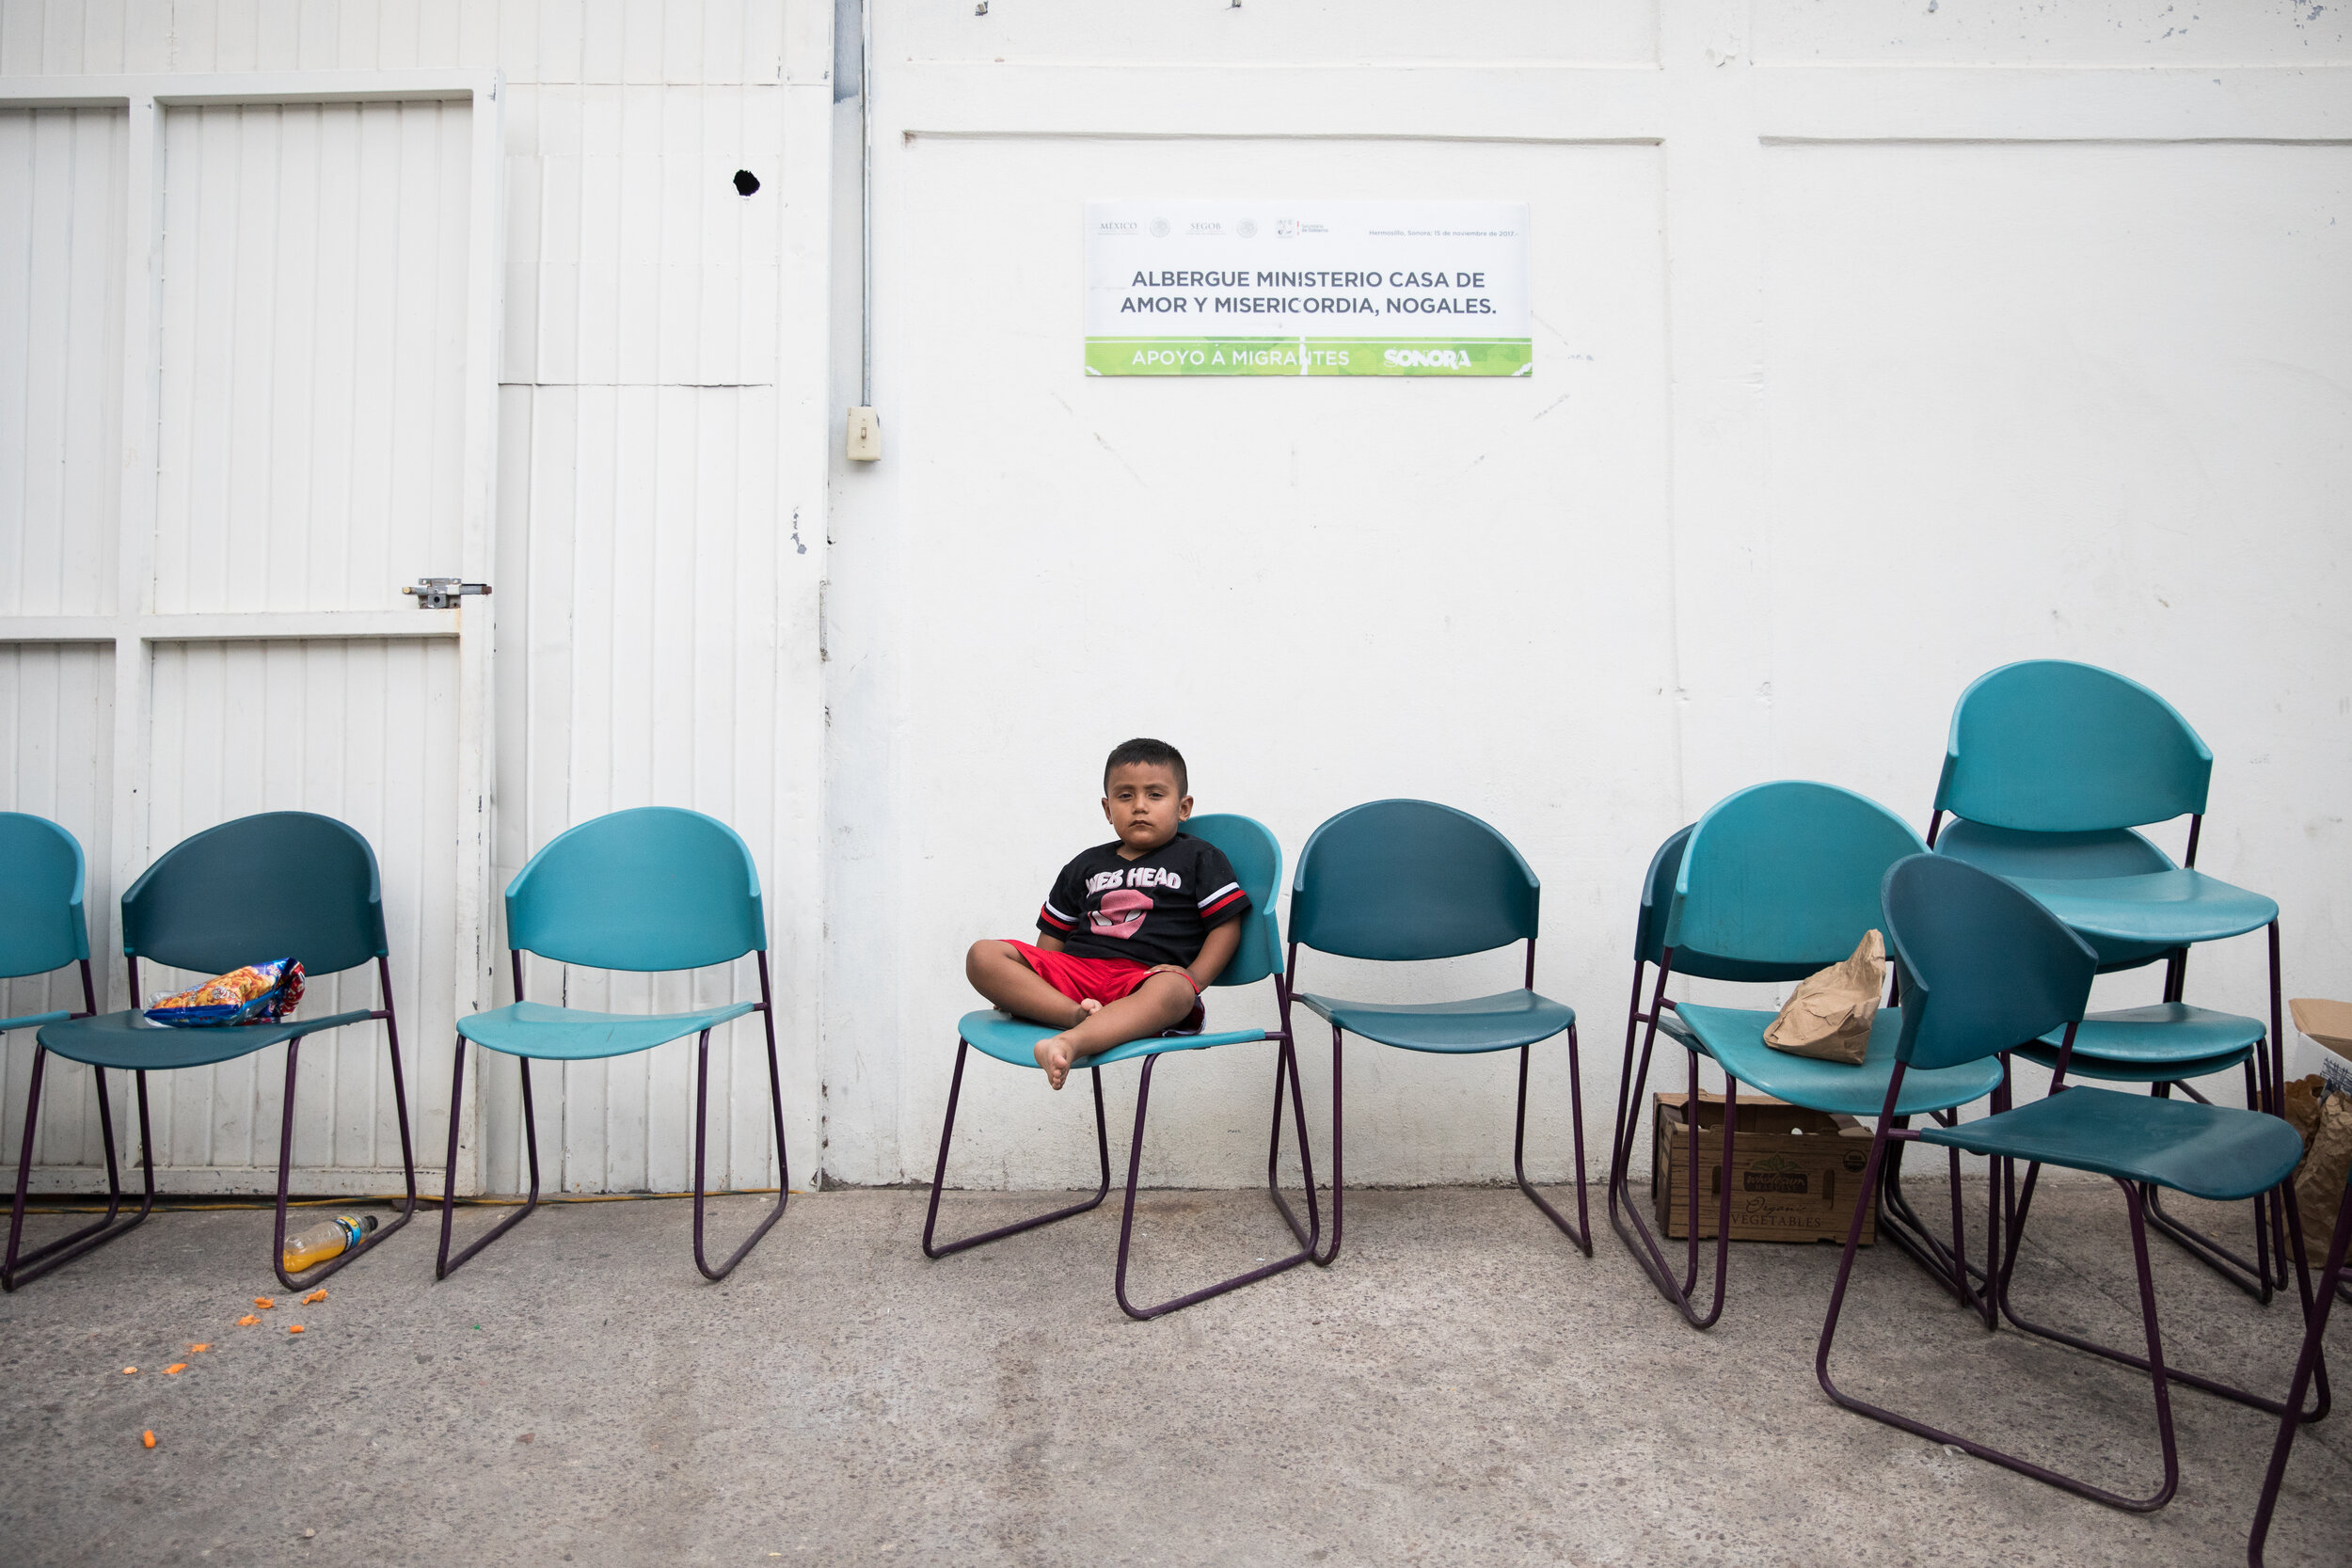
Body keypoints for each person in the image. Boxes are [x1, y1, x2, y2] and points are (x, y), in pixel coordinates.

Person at [965, 738, 1251, 1089]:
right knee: (983, 954)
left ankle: (1069, 1043)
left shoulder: (1199, 857)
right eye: (1125, 796)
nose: (1140, 807)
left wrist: (1194, 978)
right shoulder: (1085, 865)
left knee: (1177, 992)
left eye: (1155, 795)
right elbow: (1052, 940)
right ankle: (1074, 1017)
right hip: (1077, 979)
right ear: (1107, 808)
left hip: (1142, 981)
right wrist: (1031, 987)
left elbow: (1226, 926)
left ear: (1183, 807)